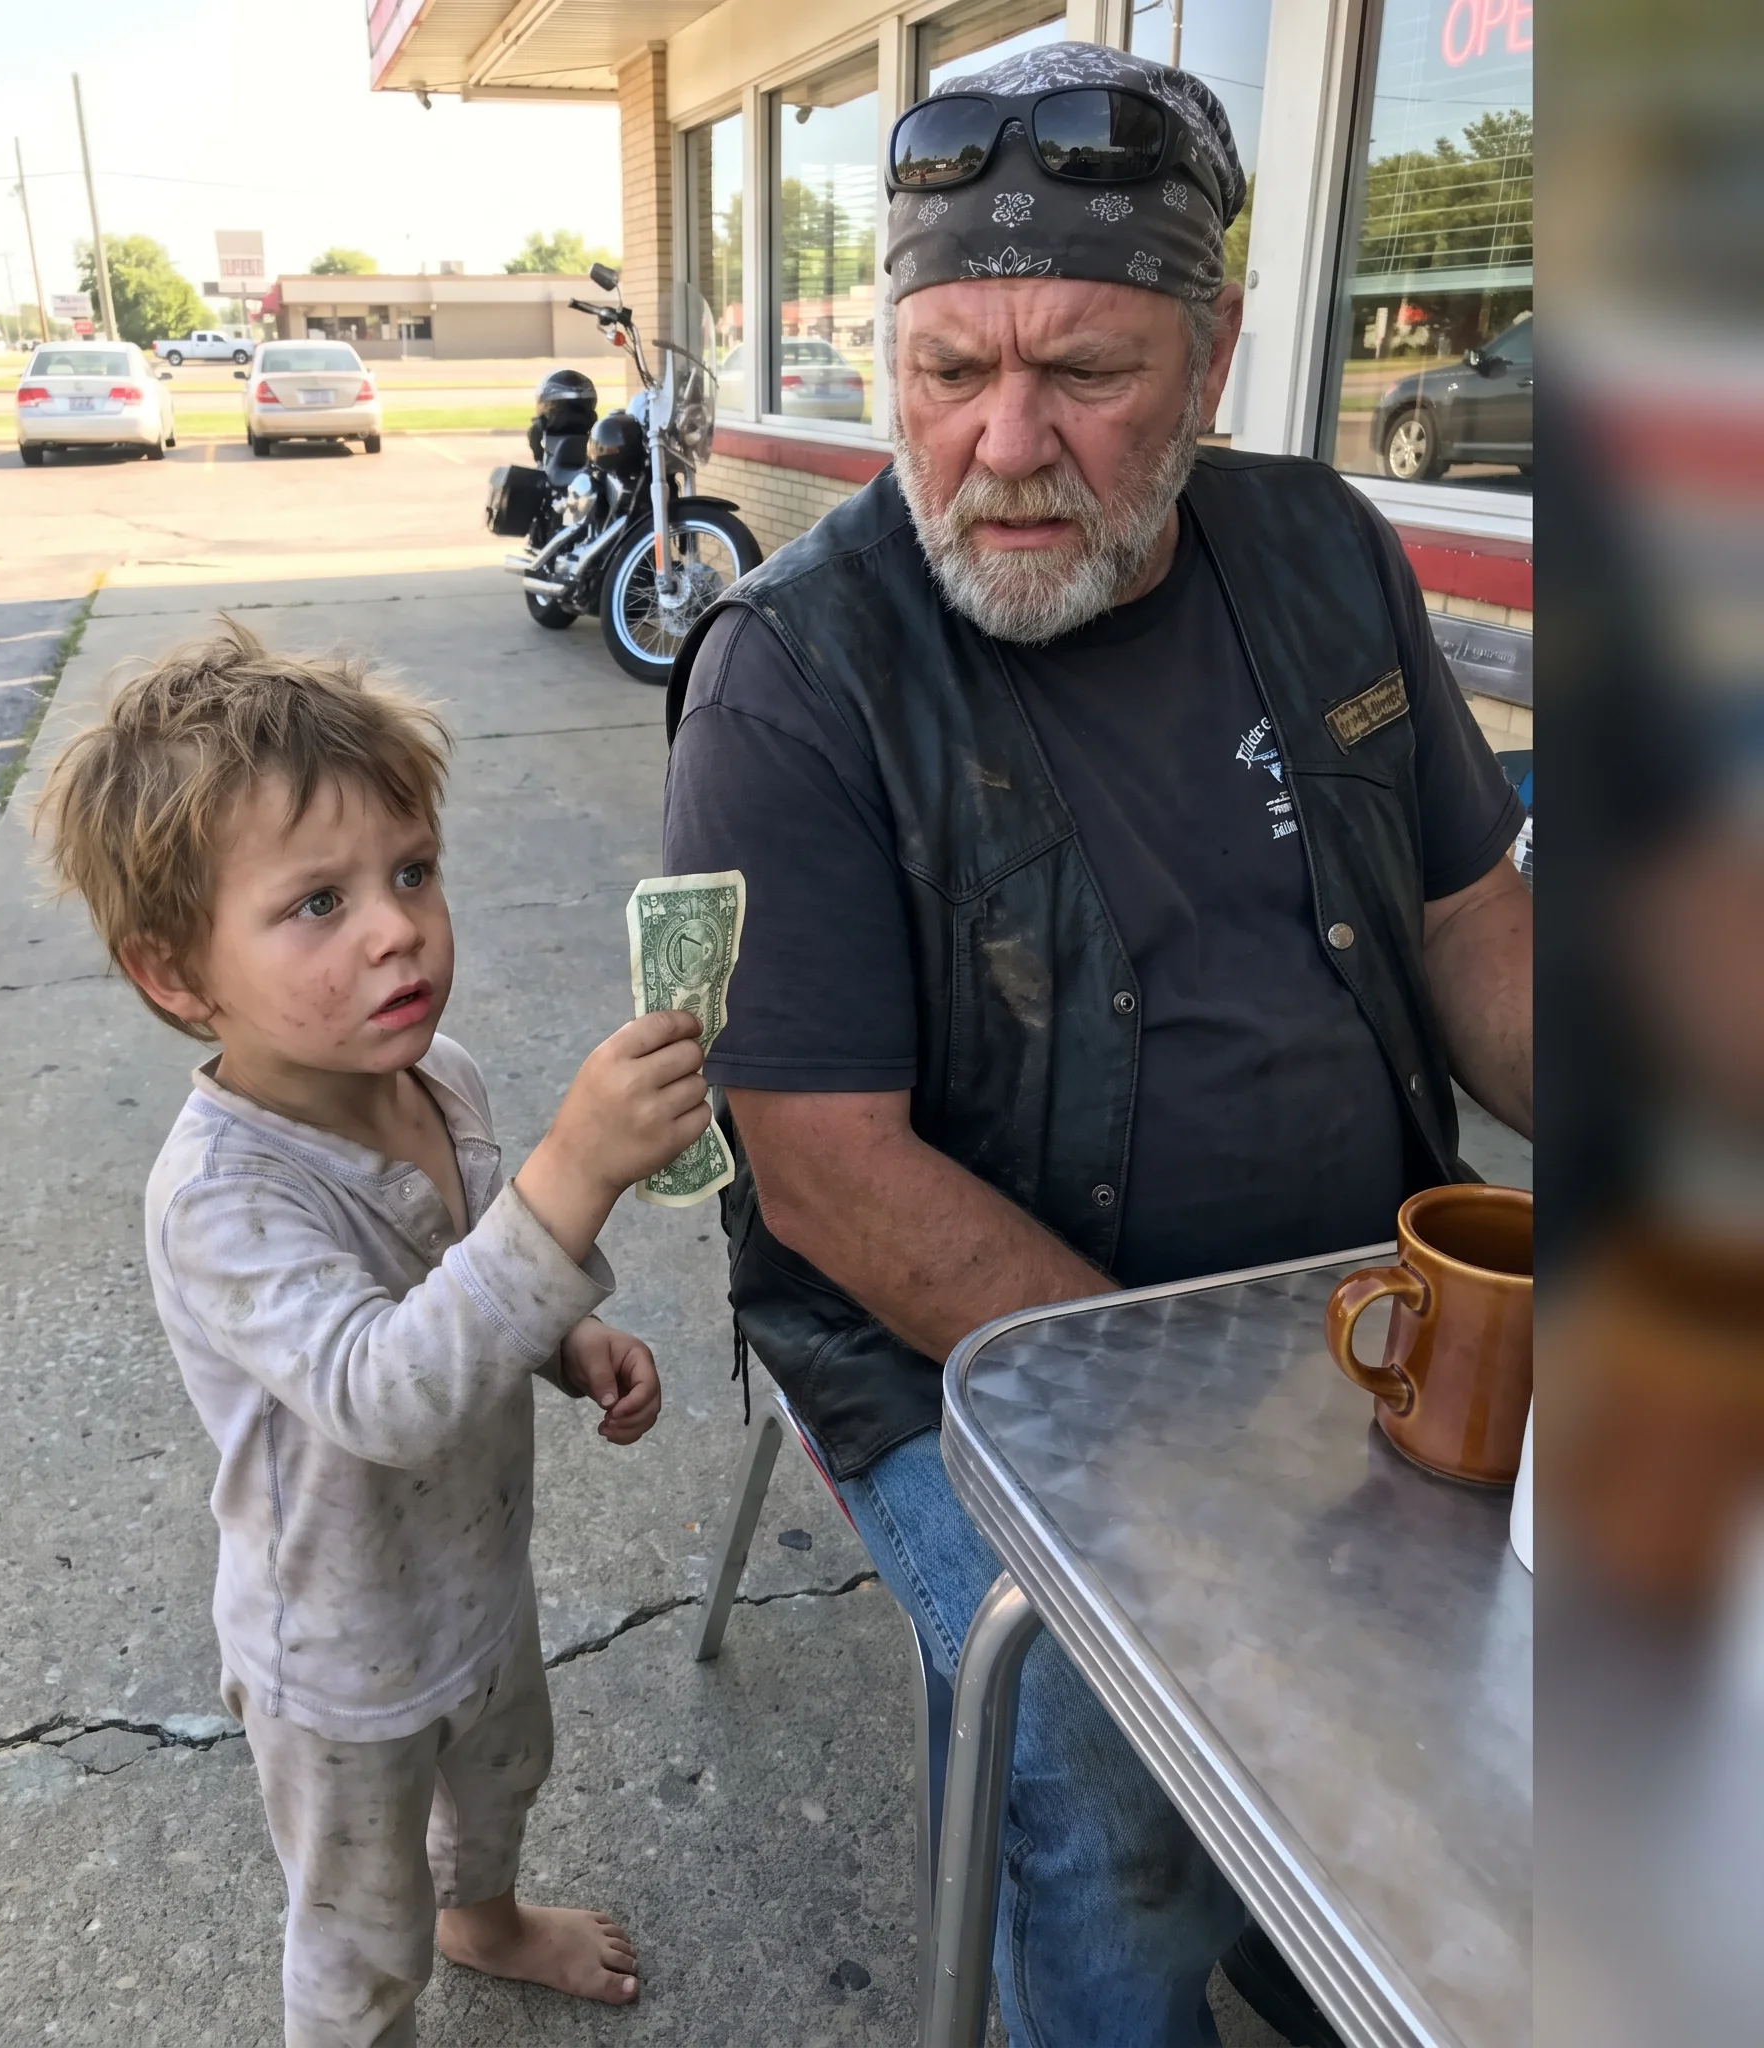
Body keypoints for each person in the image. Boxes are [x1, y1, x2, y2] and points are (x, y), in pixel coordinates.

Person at [664, 41, 1531, 2048]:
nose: (999, 441)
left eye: (1083, 373)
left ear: (1216, 353)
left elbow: (1478, 925)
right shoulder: (792, 681)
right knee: (1097, 1752)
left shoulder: (1322, 546)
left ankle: (1361, 1950)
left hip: (1356, 1299)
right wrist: (1182, 1450)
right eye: (948, 369)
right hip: (979, 1372)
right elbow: (829, 1174)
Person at [37, 620, 712, 2047]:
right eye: (317, 904)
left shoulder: (436, 1071)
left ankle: (488, 1918)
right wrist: (576, 1174)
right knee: (359, 1931)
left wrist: (564, 1345)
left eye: (411, 872)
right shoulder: (220, 1198)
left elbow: (465, 1273)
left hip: (476, 1572)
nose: (397, 925)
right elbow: (383, 1389)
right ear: (176, 974)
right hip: (336, 1660)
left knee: (502, 1777)